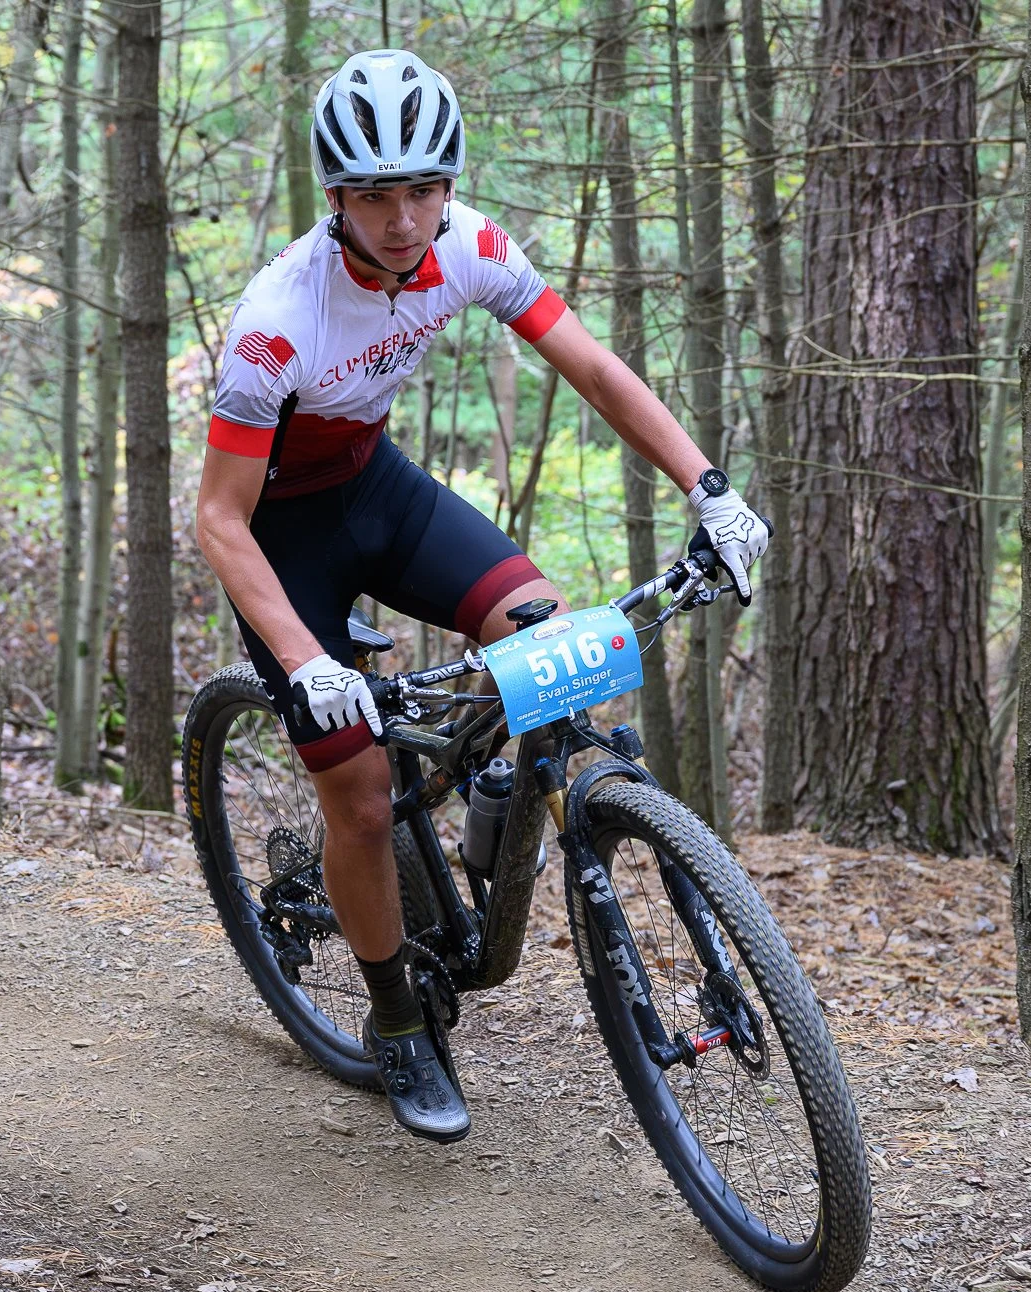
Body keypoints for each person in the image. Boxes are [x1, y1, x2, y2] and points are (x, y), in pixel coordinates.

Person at [194, 49, 767, 1144]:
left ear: (448, 186)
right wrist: (309, 667)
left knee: (544, 631)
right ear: (334, 198)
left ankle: (489, 798)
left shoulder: (471, 246)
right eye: (373, 194)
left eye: (422, 188)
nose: (402, 219)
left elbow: (592, 368)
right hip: (281, 538)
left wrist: (708, 487)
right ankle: (398, 1016)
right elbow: (219, 519)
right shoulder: (277, 318)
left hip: (377, 489)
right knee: (358, 797)